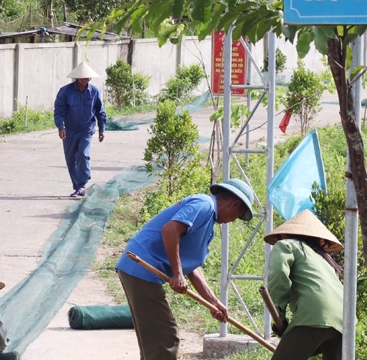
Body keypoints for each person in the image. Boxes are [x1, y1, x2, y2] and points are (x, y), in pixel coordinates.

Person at [115, 179, 255, 360]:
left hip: (138, 271)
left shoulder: (208, 219)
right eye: (238, 214)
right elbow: (170, 230)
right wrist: (177, 273)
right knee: (164, 338)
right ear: (234, 203)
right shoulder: (204, 204)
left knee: (156, 340)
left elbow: (191, 266)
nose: (233, 220)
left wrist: (213, 302)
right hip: (141, 266)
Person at [264, 209, 344, 360]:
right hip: (343, 321)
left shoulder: (286, 245)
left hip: (315, 314)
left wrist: (279, 313)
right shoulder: (325, 259)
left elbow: (279, 275)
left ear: (286, 233)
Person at [53, 61, 107, 197]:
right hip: (70, 129)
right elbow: (59, 111)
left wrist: (102, 129)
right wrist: (61, 127)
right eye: (82, 78)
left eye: (88, 78)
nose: (85, 80)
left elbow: (100, 111)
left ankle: (83, 183)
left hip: (87, 128)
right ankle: (78, 187)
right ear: (77, 78)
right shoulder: (65, 91)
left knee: (83, 153)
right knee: (71, 158)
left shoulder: (94, 91)